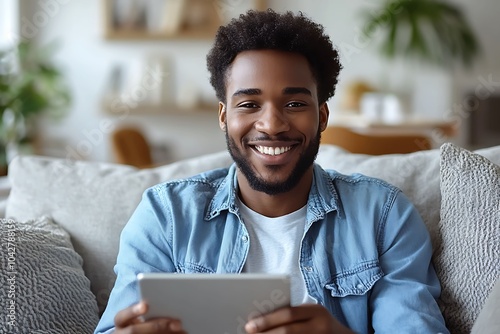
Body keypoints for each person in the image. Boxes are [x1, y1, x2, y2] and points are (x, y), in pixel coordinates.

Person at [95, 9, 449, 334]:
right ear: (224, 117)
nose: (272, 125)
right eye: (249, 104)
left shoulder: (384, 216)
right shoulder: (165, 216)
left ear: (322, 117)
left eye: (294, 104)